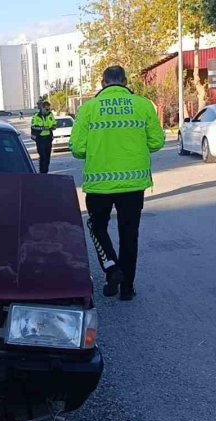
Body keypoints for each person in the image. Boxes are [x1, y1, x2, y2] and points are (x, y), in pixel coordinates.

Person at [71, 65, 165, 301]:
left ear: (103, 83)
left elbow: (77, 149)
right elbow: (157, 142)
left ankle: (112, 268)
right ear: (125, 81)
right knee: (129, 234)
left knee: (96, 227)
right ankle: (127, 289)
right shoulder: (143, 105)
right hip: (133, 186)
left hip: (99, 186)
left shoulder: (89, 109)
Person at [30, 101, 56, 174]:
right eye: (46, 109)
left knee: (47, 156)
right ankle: (42, 172)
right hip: (40, 138)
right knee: (42, 156)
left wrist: (52, 127)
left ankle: (46, 171)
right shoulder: (36, 116)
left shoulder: (50, 115)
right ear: (42, 108)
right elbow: (34, 126)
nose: (48, 111)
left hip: (48, 138)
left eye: (49, 109)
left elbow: (54, 125)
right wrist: (43, 128)